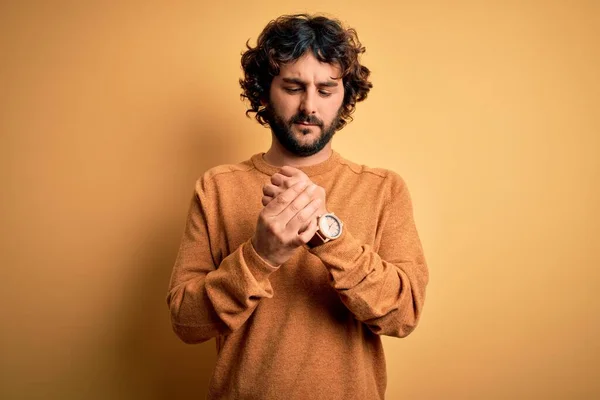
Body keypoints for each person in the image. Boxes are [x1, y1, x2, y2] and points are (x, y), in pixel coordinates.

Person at [167, 13, 429, 400]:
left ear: (345, 96)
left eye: (325, 90)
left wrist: (327, 233)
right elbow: (186, 322)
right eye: (293, 87)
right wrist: (260, 255)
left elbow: (403, 314)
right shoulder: (217, 188)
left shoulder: (383, 189)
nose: (309, 106)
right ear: (264, 91)